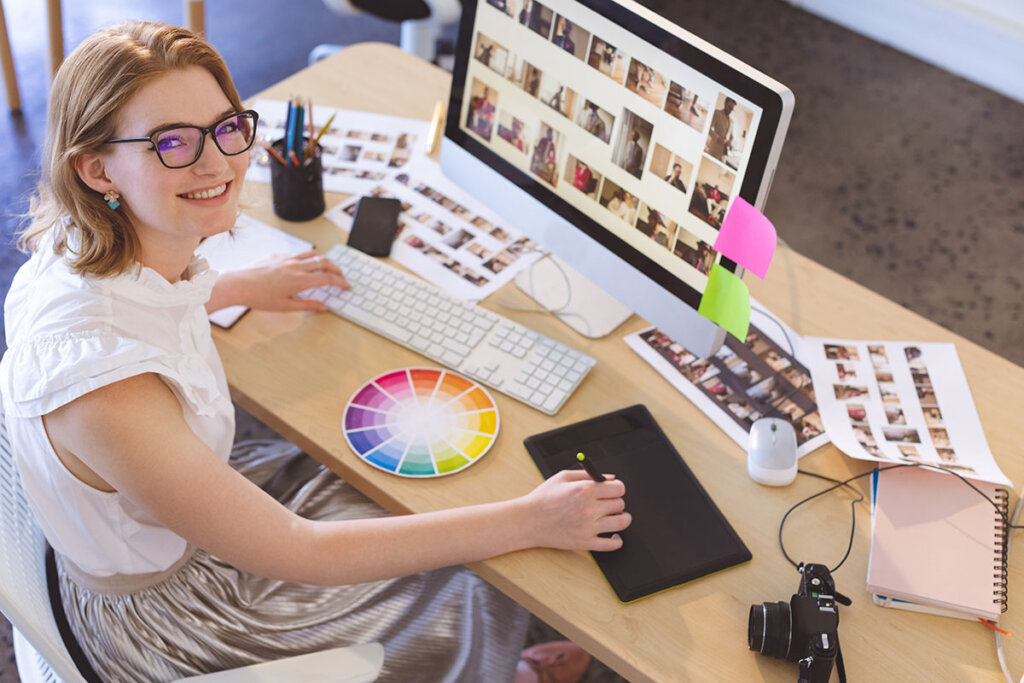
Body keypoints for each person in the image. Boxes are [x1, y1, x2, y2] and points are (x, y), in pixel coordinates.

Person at [0, 22, 631, 683]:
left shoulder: (79, 243)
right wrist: (531, 518)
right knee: (475, 577)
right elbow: (302, 553)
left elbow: (139, 309)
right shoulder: (107, 393)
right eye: (172, 142)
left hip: (156, 523)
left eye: (225, 127)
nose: (217, 163)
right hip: (181, 620)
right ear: (96, 167)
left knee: (397, 488)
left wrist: (241, 287)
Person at [706, 96, 736, 161]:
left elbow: (731, 136)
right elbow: (707, 128)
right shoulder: (717, 113)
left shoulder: (732, 121)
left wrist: (730, 142)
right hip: (714, 150)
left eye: (732, 109)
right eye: (729, 107)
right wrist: (718, 138)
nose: (730, 110)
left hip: (724, 153)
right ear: (725, 103)